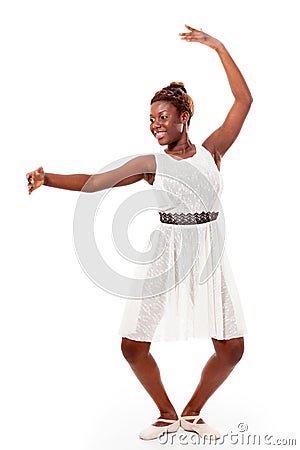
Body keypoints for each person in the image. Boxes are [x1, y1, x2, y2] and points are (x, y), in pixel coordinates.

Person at [26, 25, 252, 441]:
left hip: (209, 258)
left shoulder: (212, 151)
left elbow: (243, 100)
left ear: (185, 117)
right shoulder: (151, 163)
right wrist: (48, 178)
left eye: (163, 117)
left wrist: (219, 47)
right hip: (167, 255)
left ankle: (193, 412)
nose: (155, 125)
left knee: (232, 349)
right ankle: (166, 414)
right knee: (133, 346)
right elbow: (97, 181)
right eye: (151, 119)